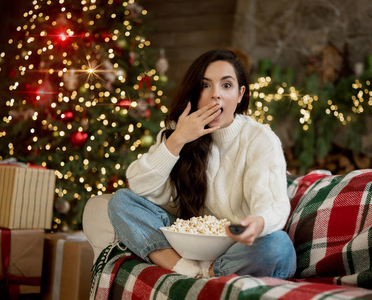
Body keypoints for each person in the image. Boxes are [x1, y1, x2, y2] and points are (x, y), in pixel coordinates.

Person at [108, 49, 296, 279]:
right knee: (120, 202)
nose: (215, 95)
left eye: (226, 85)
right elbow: (138, 187)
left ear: (240, 94)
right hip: (187, 245)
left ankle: (209, 274)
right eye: (206, 85)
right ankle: (185, 270)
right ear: (195, 93)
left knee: (278, 246)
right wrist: (178, 139)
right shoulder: (178, 131)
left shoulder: (260, 139)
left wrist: (257, 223)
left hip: (235, 246)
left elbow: (273, 204)